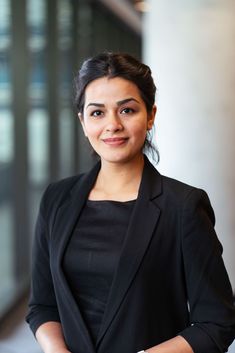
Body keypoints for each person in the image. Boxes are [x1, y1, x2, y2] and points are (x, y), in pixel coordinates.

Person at [26, 52, 235, 353]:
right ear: (82, 122)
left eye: (127, 110)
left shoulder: (183, 207)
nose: (112, 125)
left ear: (150, 116)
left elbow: (217, 323)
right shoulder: (57, 199)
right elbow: (42, 305)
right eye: (97, 113)